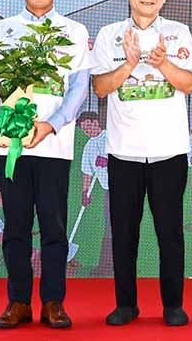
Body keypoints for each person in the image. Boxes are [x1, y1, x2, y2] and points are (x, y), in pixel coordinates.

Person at [0, 0, 92, 329]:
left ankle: (53, 302)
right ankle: (18, 301)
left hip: (54, 144)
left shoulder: (73, 32)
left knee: (55, 226)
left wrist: (53, 123)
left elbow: (78, 88)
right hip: (10, 147)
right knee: (17, 225)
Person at [91, 0, 192, 327]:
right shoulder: (110, 35)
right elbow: (101, 89)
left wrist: (163, 64)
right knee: (124, 232)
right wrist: (129, 63)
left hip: (169, 151)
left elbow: (188, 84)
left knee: (169, 231)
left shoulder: (179, 32)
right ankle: (126, 304)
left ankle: (173, 304)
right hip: (124, 152)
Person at [78, 110, 114, 276]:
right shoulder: (89, 147)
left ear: (96, 122)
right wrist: (85, 193)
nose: (87, 131)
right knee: (110, 227)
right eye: (84, 129)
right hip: (108, 192)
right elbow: (87, 172)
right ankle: (107, 264)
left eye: (88, 126)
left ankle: (111, 264)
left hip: (124, 188)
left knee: (117, 227)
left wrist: (108, 161)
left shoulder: (112, 136)